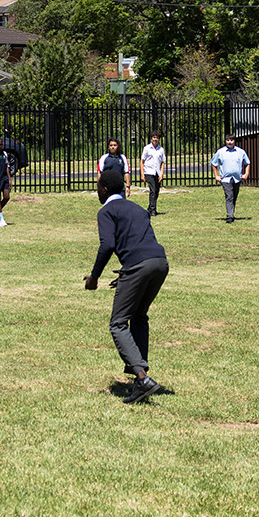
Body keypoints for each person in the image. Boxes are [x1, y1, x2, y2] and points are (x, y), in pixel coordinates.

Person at [85, 169, 171, 405]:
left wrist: (94, 277)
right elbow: (138, 240)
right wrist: (127, 274)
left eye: (98, 187)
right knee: (139, 317)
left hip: (138, 267)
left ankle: (142, 378)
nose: (97, 191)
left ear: (103, 189)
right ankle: (140, 382)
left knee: (118, 323)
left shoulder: (106, 211)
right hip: (159, 263)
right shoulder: (137, 208)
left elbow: (108, 245)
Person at [209, 136, 249, 222]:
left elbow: (247, 163)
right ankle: (229, 216)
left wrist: (246, 174)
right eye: (228, 140)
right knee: (229, 196)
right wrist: (216, 175)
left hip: (237, 178)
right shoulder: (221, 152)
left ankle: (231, 213)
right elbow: (213, 163)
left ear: (234, 141)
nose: (229, 142)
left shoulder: (240, 152)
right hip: (225, 179)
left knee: (234, 196)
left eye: (231, 140)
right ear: (225, 141)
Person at [140, 132, 166, 216]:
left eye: (157, 138)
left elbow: (162, 162)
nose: (155, 139)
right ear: (151, 138)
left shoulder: (161, 149)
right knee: (153, 190)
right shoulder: (147, 148)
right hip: (149, 172)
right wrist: (142, 174)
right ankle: (152, 210)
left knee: (156, 191)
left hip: (157, 172)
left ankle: (150, 207)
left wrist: (161, 174)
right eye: (154, 137)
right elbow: (142, 161)